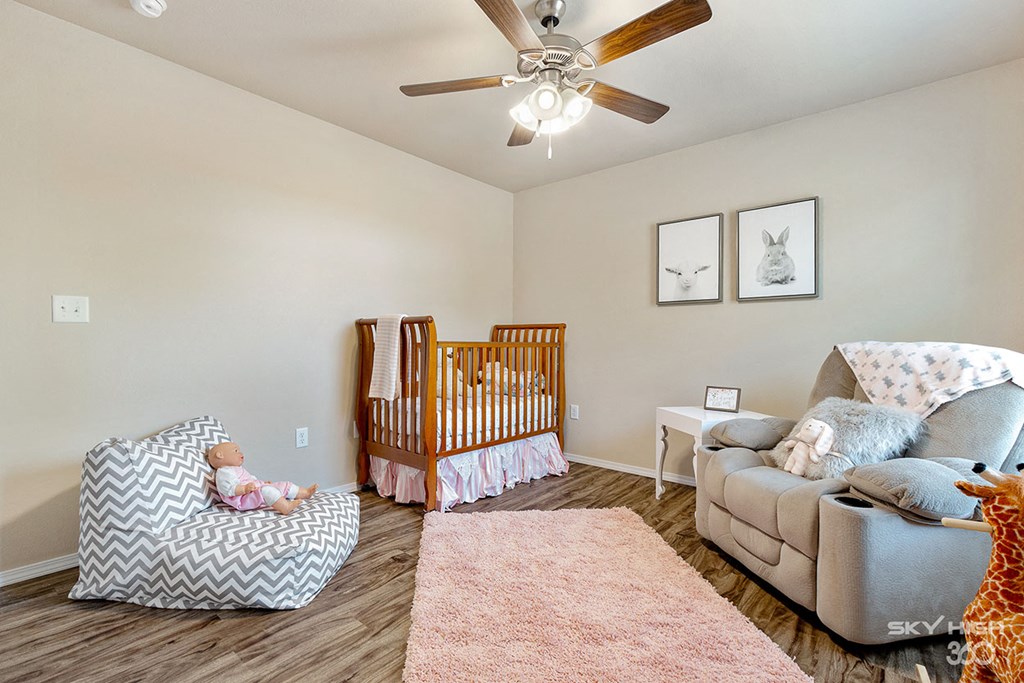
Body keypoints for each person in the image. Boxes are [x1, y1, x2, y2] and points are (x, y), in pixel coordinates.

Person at [206, 442, 317, 515]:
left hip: (251, 490)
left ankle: (305, 493)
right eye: (235, 451)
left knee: (281, 485)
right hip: (243, 499)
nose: (240, 453)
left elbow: (249, 479)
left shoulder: (236, 469)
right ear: (220, 455)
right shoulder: (224, 472)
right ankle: (285, 507)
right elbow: (228, 489)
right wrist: (244, 489)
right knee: (267, 491)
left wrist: (262, 483)